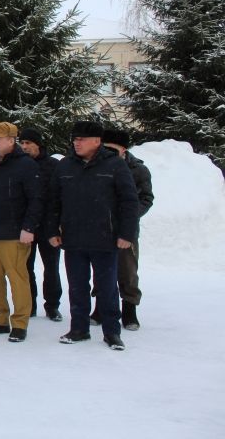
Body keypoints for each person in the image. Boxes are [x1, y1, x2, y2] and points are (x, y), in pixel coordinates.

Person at [47, 121, 140, 351]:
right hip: (74, 238)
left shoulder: (115, 165)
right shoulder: (65, 166)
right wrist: (51, 230)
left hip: (105, 238)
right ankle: (79, 329)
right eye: (75, 139)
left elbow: (129, 202)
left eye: (81, 139)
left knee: (107, 288)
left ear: (97, 141)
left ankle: (112, 332)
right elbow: (53, 202)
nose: (76, 143)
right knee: (77, 287)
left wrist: (126, 233)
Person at [0, 122, 41, 343]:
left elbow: (36, 200)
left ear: (11, 140)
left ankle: (20, 323)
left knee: (18, 280)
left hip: (14, 235)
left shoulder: (26, 166)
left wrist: (28, 228)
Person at [98, 129, 154, 331]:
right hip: (100, 228)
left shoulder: (137, 170)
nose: (108, 152)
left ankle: (129, 309)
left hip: (125, 229)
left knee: (127, 270)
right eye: (105, 148)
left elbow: (146, 198)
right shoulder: (97, 165)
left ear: (123, 149)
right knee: (101, 269)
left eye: (112, 149)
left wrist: (129, 215)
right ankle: (100, 307)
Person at [18, 128, 63, 322]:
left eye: (29, 143)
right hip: (26, 226)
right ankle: (30, 305)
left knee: (51, 267)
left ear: (38, 144)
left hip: (48, 225)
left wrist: (59, 223)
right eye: (22, 143)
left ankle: (52, 306)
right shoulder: (19, 165)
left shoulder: (53, 165)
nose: (25, 146)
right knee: (26, 268)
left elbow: (59, 195)